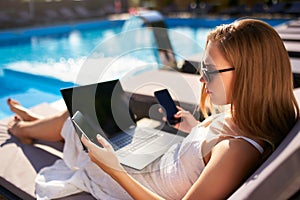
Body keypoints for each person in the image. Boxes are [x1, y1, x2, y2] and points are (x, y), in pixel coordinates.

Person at [7, 18, 299, 199]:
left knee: (76, 120)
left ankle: (21, 128)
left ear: (249, 73)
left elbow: (221, 156)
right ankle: (37, 121)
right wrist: (194, 129)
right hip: (154, 161)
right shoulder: (243, 118)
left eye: (210, 71)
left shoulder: (237, 150)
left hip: (130, 180)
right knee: (88, 113)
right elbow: (209, 153)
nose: (201, 78)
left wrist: (113, 169)